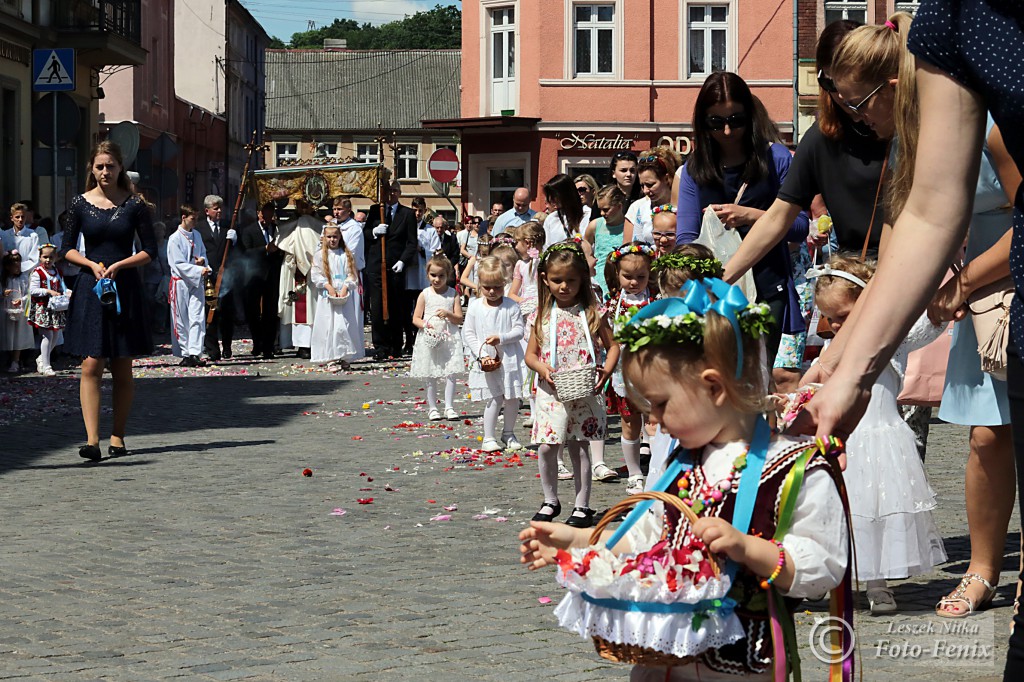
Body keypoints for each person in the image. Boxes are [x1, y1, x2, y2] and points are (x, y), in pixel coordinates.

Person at [519, 280, 847, 681]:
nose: (653, 419)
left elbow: (824, 563)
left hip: (739, 664)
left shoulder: (792, 468)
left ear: (713, 386)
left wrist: (748, 547)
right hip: (665, 660)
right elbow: (652, 535)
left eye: (660, 404)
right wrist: (582, 543)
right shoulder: (685, 460)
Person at [810, 256, 946, 613]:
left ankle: (877, 582)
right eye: (831, 318)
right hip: (841, 444)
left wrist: (937, 301)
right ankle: (824, 577)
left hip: (881, 440)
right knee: (832, 511)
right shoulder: (830, 349)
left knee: (878, 512)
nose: (838, 325)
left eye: (844, 315)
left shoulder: (890, 340)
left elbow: (929, 322)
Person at [927, 120, 1019, 618]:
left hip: (999, 268)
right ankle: (982, 569)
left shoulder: (997, 119)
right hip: (986, 284)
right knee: (987, 435)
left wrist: (960, 286)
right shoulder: (943, 116)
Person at [676, 71, 809, 365]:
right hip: (714, 294)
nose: (726, 131)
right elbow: (685, 239)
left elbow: (800, 226)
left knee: (757, 381)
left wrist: (751, 216)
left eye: (735, 120)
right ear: (703, 121)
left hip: (767, 289)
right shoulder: (694, 169)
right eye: (716, 122)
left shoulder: (777, 158)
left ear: (750, 115)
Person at [59, 140, 157, 462]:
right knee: (91, 363)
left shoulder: (135, 205)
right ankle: (92, 440)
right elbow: (68, 248)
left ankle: (118, 435)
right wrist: (89, 264)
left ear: (120, 168)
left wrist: (121, 264)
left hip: (124, 287)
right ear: (92, 168)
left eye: (110, 166)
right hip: (92, 286)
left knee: (122, 366)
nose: (105, 172)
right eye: (99, 166)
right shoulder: (80, 204)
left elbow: (149, 250)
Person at [525, 240, 618, 529]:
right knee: (546, 448)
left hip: (584, 389)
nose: (564, 286)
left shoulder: (592, 313)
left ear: (583, 280)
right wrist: (542, 368)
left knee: (579, 447)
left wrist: (607, 371)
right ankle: (550, 499)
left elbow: (613, 346)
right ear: (545, 279)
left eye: (571, 280)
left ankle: (582, 505)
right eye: (557, 280)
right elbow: (530, 355)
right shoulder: (540, 314)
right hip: (552, 391)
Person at [601, 242, 656, 493]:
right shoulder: (613, 305)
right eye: (628, 277)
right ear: (617, 275)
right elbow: (607, 336)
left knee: (654, 421)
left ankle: (657, 469)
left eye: (640, 277)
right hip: (625, 371)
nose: (634, 282)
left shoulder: (655, 301)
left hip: (652, 371)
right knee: (629, 422)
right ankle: (635, 472)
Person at [462, 255, 525, 453]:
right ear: (479, 284)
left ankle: (508, 432)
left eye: (497, 287)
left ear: (504, 284)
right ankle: (488, 436)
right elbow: (468, 332)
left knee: (512, 397)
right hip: (487, 359)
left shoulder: (511, 306)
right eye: (487, 287)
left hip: (509, 358)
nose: (491, 291)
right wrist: (480, 355)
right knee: (494, 397)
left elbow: (519, 330)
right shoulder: (475, 306)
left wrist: (502, 338)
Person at [363, 181, 418, 362]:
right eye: (388, 191)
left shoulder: (407, 214)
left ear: (400, 193)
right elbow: (365, 234)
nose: (391, 194)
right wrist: (374, 232)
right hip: (376, 265)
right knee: (377, 308)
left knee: (396, 308)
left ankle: (395, 345)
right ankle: (380, 346)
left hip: (395, 267)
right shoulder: (374, 210)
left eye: (395, 191)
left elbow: (411, 243)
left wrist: (403, 261)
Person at [410, 252, 465, 421]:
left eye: (441, 276)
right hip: (430, 336)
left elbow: (459, 318)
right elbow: (416, 318)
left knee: (450, 372)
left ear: (448, 276)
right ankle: (432, 407)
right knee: (431, 372)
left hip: (449, 337)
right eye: (433, 275)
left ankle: (449, 406)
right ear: (427, 275)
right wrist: (427, 325)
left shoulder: (453, 294)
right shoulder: (425, 294)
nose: (437, 279)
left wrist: (448, 314)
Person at [194, 195, 239, 361]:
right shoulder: (199, 228)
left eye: (220, 208)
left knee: (227, 313)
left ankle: (227, 345)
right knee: (209, 313)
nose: (219, 211)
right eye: (215, 208)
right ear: (207, 211)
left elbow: (239, 251)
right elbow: (196, 251)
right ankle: (212, 348)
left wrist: (235, 241)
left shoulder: (230, 226)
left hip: (227, 275)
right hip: (208, 275)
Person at [277, 200, 322, 359]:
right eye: (301, 204)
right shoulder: (290, 224)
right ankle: (301, 344)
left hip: (314, 272)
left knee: (313, 308)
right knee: (296, 306)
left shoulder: (320, 224)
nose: (304, 208)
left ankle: (313, 343)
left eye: (308, 205)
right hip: (293, 270)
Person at [309, 224, 359, 366]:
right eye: (329, 237)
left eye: (335, 236)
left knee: (344, 325)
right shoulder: (320, 255)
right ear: (324, 238)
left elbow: (352, 274)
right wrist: (327, 286)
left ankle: (344, 355)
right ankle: (330, 356)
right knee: (328, 325)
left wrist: (345, 286)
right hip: (327, 295)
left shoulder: (346, 254)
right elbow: (316, 274)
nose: (332, 240)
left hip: (343, 294)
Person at [167, 205, 210, 367]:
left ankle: (195, 352)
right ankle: (185, 352)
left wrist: (203, 262)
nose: (196, 222)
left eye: (197, 218)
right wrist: (198, 269)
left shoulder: (197, 235)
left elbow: (203, 254)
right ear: (183, 217)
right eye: (193, 218)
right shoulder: (174, 239)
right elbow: (177, 264)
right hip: (181, 283)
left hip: (196, 281)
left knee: (197, 317)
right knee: (181, 320)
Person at [240, 201, 283, 359]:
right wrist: (264, 249)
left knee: (271, 312)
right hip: (254, 275)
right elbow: (246, 252)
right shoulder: (249, 230)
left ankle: (268, 346)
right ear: (259, 213)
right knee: (253, 312)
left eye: (270, 214)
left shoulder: (277, 229)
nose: (267, 217)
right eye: (264, 213)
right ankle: (257, 342)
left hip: (272, 275)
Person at [404, 197, 441, 354]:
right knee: (407, 310)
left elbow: (435, 251)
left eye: (420, 210)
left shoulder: (430, 230)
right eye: (414, 210)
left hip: (422, 275)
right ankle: (409, 340)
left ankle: (422, 339)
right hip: (408, 274)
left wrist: (421, 249)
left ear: (425, 211)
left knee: (422, 310)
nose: (417, 213)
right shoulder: (406, 227)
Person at [28, 244, 70, 374]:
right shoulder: (37, 273)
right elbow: (33, 290)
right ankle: (46, 366)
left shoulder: (57, 272)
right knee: (47, 335)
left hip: (55, 309)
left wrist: (68, 292)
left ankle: (42, 358)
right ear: (40, 257)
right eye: (45, 257)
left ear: (55, 258)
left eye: (51, 257)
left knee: (56, 336)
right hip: (43, 308)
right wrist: (48, 291)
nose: (48, 260)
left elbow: (62, 287)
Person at [584, 185, 630, 298]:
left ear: (619, 206)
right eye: (600, 209)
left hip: (620, 277)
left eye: (606, 210)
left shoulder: (628, 226)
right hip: (598, 277)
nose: (602, 213)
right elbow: (585, 244)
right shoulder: (595, 225)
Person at [627, 147, 680, 244]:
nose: (645, 190)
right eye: (642, 185)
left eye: (650, 184)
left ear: (666, 179)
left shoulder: (683, 207)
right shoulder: (642, 209)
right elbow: (637, 245)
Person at [1, 252, 32, 372]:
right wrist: (3, 294)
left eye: (19, 265)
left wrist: (22, 300)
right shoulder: (4, 279)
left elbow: (28, 293)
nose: (18, 268)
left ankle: (16, 360)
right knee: (9, 335)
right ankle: (9, 358)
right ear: (8, 267)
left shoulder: (24, 278)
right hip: (6, 310)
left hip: (21, 310)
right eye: (15, 266)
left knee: (19, 335)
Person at [542, 174, 592, 248]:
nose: (550, 200)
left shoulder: (588, 215)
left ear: (566, 194)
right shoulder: (551, 219)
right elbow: (546, 248)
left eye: (553, 196)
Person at [2, 203, 40, 273]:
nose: (20, 219)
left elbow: (35, 259)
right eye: (17, 217)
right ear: (12, 218)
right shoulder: (5, 235)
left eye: (23, 217)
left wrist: (18, 268)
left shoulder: (33, 236)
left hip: (26, 276)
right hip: (8, 276)